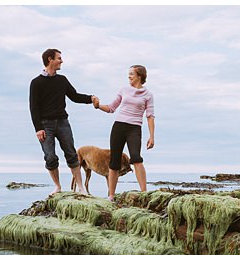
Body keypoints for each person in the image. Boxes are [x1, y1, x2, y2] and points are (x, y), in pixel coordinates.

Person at [29, 48, 97, 195]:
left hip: (62, 122)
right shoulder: (36, 83)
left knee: (72, 154)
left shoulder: (62, 80)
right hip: (45, 125)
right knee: (50, 157)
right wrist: (38, 128)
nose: (62, 61)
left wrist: (90, 98)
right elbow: (34, 108)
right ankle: (58, 187)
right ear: (49, 59)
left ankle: (81, 188)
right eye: (59, 58)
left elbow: (74, 96)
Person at [94, 65, 155, 200]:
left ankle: (144, 193)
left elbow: (150, 116)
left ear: (140, 76)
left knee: (136, 158)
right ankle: (111, 195)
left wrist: (152, 136)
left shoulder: (148, 95)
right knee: (114, 161)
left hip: (134, 128)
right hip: (119, 127)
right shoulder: (124, 90)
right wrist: (98, 106)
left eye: (132, 74)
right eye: (129, 74)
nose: (129, 77)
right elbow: (111, 108)